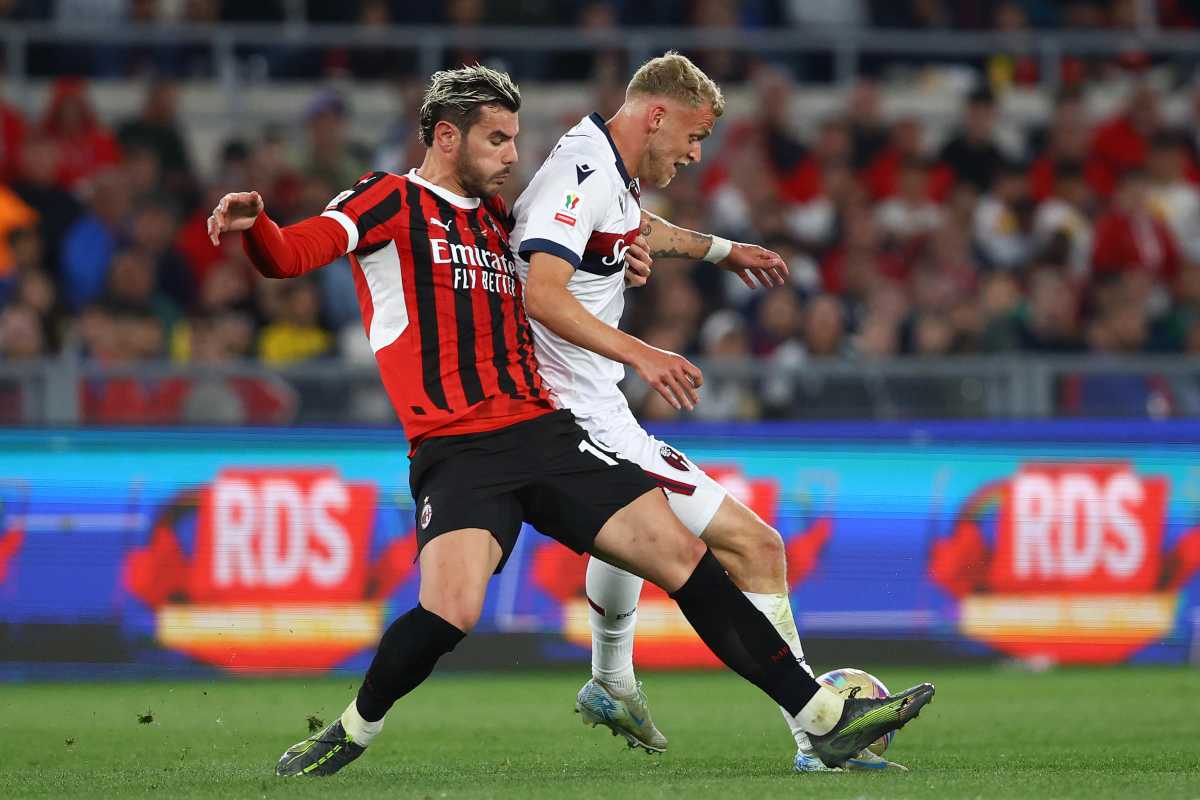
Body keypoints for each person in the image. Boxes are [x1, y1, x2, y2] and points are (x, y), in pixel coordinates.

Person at [207, 64, 933, 778]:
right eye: (497, 140)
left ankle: (821, 721)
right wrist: (258, 225)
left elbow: (597, 234)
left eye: (515, 139)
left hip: (546, 433)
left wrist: (636, 256)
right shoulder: (387, 201)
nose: (513, 156)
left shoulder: (498, 218)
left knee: (682, 558)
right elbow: (293, 255)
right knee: (449, 611)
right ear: (447, 136)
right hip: (457, 449)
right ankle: (357, 729)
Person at [510, 51, 912, 773]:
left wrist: (723, 251)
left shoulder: (609, 172)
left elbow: (640, 230)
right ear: (655, 115)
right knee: (757, 547)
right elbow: (541, 292)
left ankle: (611, 679)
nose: (696, 156)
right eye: (692, 139)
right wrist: (642, 353)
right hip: (575, 414)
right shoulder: (582, 172)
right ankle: (816, 737)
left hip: (595, 411)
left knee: (630, 535)